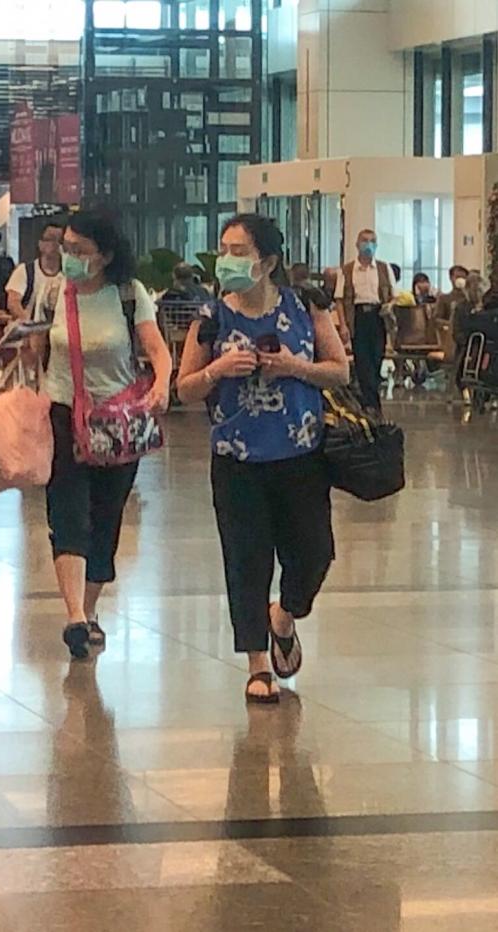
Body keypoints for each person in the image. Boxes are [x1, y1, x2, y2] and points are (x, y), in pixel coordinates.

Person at [176, 213, 349, 704]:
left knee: (315, 552)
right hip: (236, 461)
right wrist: (218, 369)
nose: (227, 259)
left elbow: (338, 371)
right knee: (246, 560)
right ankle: (256, 663)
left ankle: (284, 615)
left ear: (267, 261)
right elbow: (184, 389)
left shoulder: (305, 307)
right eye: (224, 249)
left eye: (239, 251)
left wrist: (295, 367)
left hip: (300, 455)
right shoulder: (211, 318)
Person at [27, 207, 172, 661]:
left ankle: (88, 612)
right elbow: (36, 349)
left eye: (79, 250)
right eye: (64, 247)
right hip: (61, 415)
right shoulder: (53, 292)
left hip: (117, 422)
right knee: (67, 514)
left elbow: (155, 349)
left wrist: (163, 383)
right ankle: (73, 616)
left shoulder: (129, 294)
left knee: (106, 519)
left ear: (106, 255)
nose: (67, 256)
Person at [334, 229, 394, 410]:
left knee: (377, 357)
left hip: (378, 317)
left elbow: (393, 295)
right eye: (365, 240)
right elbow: (339, 299)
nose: (368, 244)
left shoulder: (384, 268)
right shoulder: (346, 270)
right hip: (358, 317)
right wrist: (343, 325)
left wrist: (389, 306)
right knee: (362, 360)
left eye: (372, 241)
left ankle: (369, 399)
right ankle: (372, 405)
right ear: (357, 244)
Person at [4, 221, 65, 324]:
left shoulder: (69, 275)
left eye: (60, 241)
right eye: (50, 239)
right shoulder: (25, 271)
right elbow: (13, 303)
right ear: (40, 244)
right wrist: (29, 324)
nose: (55, 245)